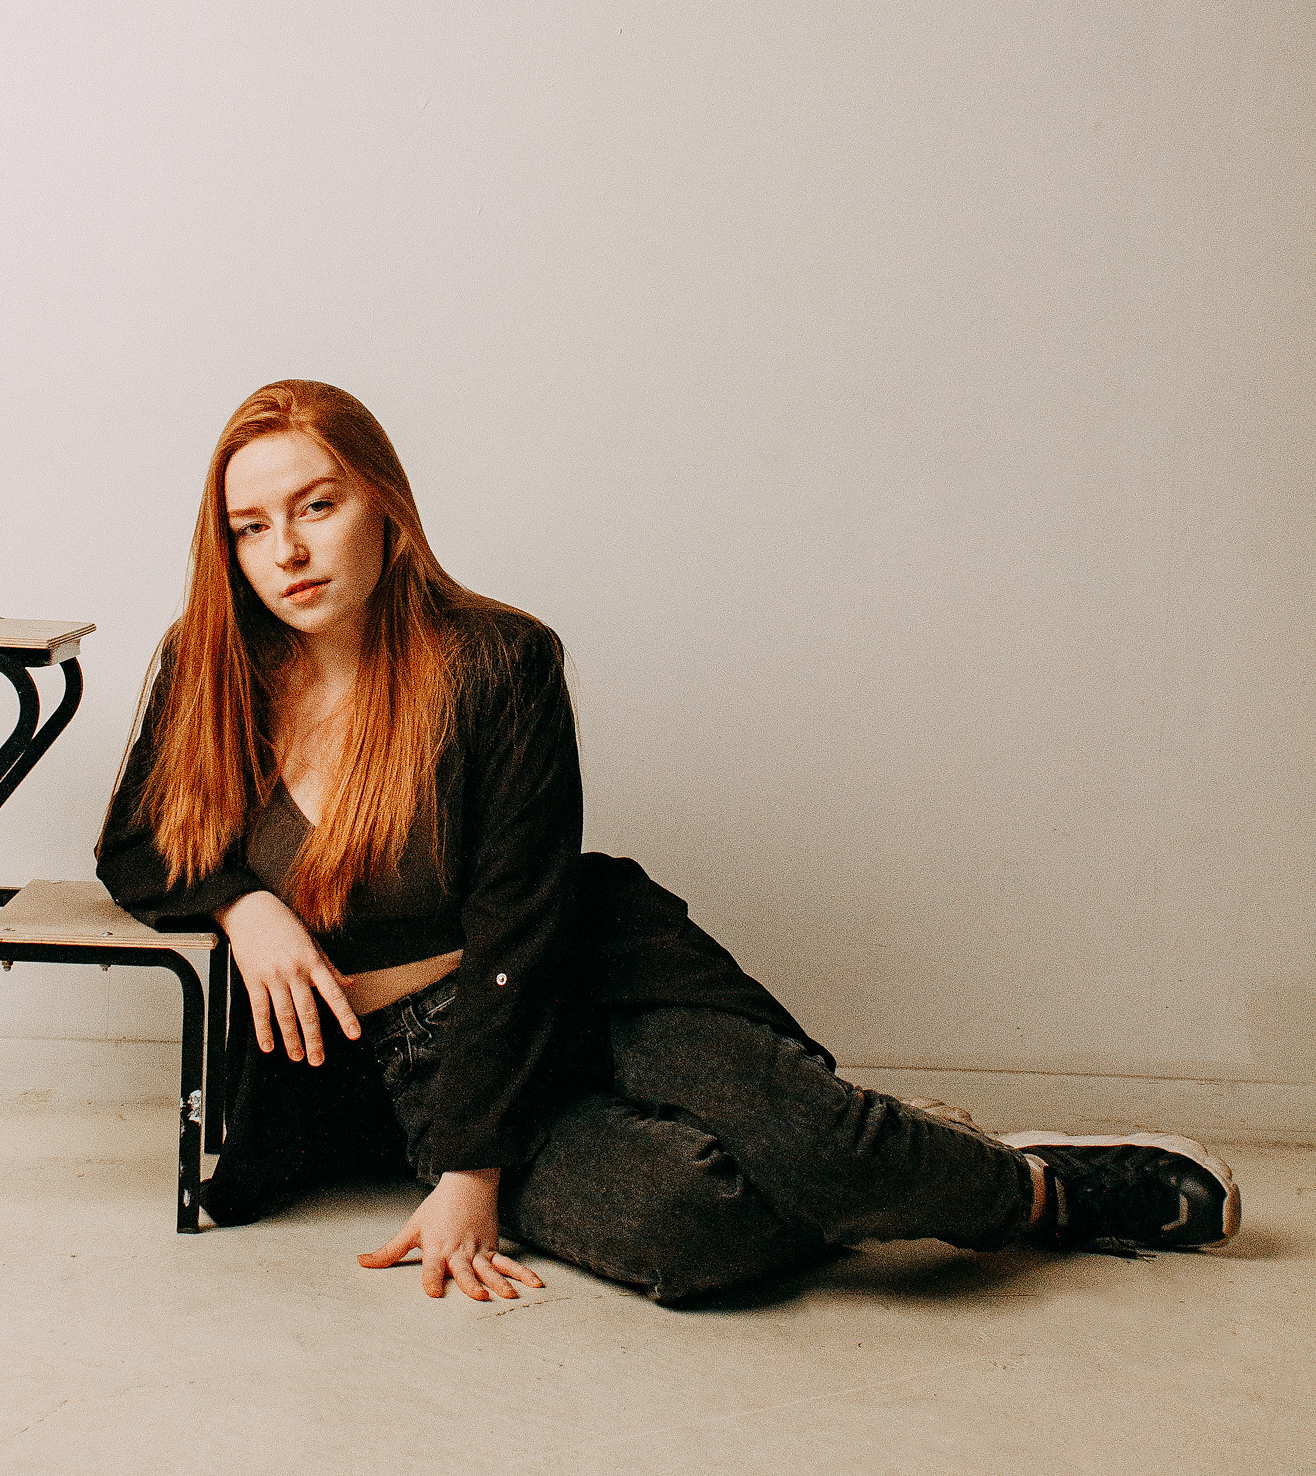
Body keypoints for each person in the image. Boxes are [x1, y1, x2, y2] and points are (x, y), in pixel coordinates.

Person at [97, 380, 1242, 1303]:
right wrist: (247, 905)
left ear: (385, 506)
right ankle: (890, 1157)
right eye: (252, 527)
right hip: (426, 1056)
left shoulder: (499, 662)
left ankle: (1040, 1190)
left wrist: (471, 1171)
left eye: (316, 506)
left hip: (582, 978)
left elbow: (520, 928)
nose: (286, 552)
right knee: (691, 1230)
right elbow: (135, 845)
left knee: (813, 1140)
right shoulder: (212, 670)